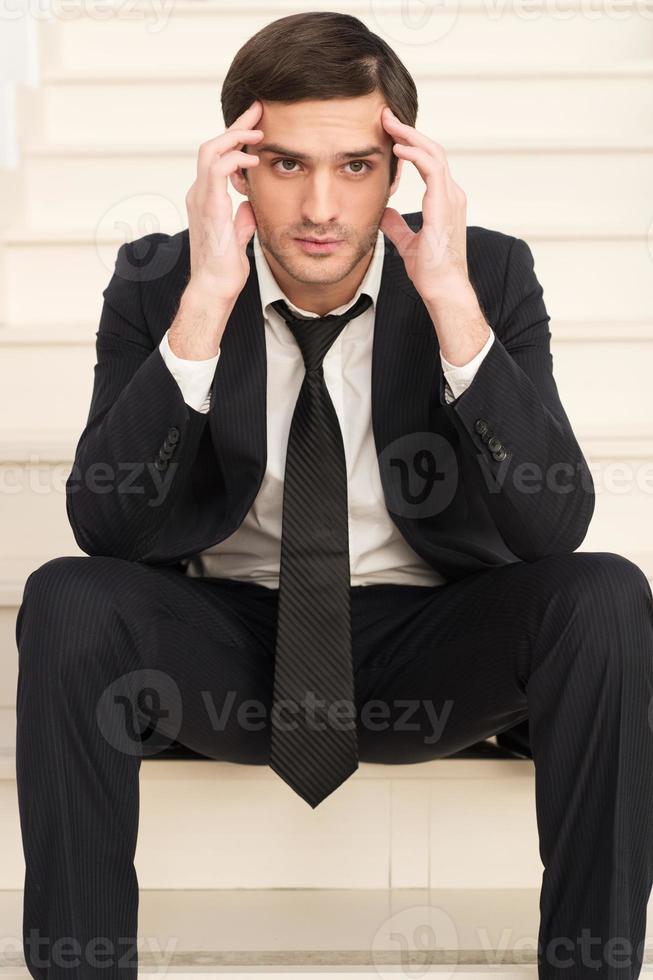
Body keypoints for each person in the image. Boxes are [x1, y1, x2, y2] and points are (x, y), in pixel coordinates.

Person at [14, 10, 653, 980]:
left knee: (604, 591)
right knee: (68, 593)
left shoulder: (486, 271)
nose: (319, 204)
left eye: (354, 165)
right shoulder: (159, 279)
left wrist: (445, 299)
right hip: (231, 644)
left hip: (425, 639)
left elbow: (551, 521)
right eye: (284, 164)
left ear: (399, 170)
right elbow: (107, 524)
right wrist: (204, 301)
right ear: (235, 167)